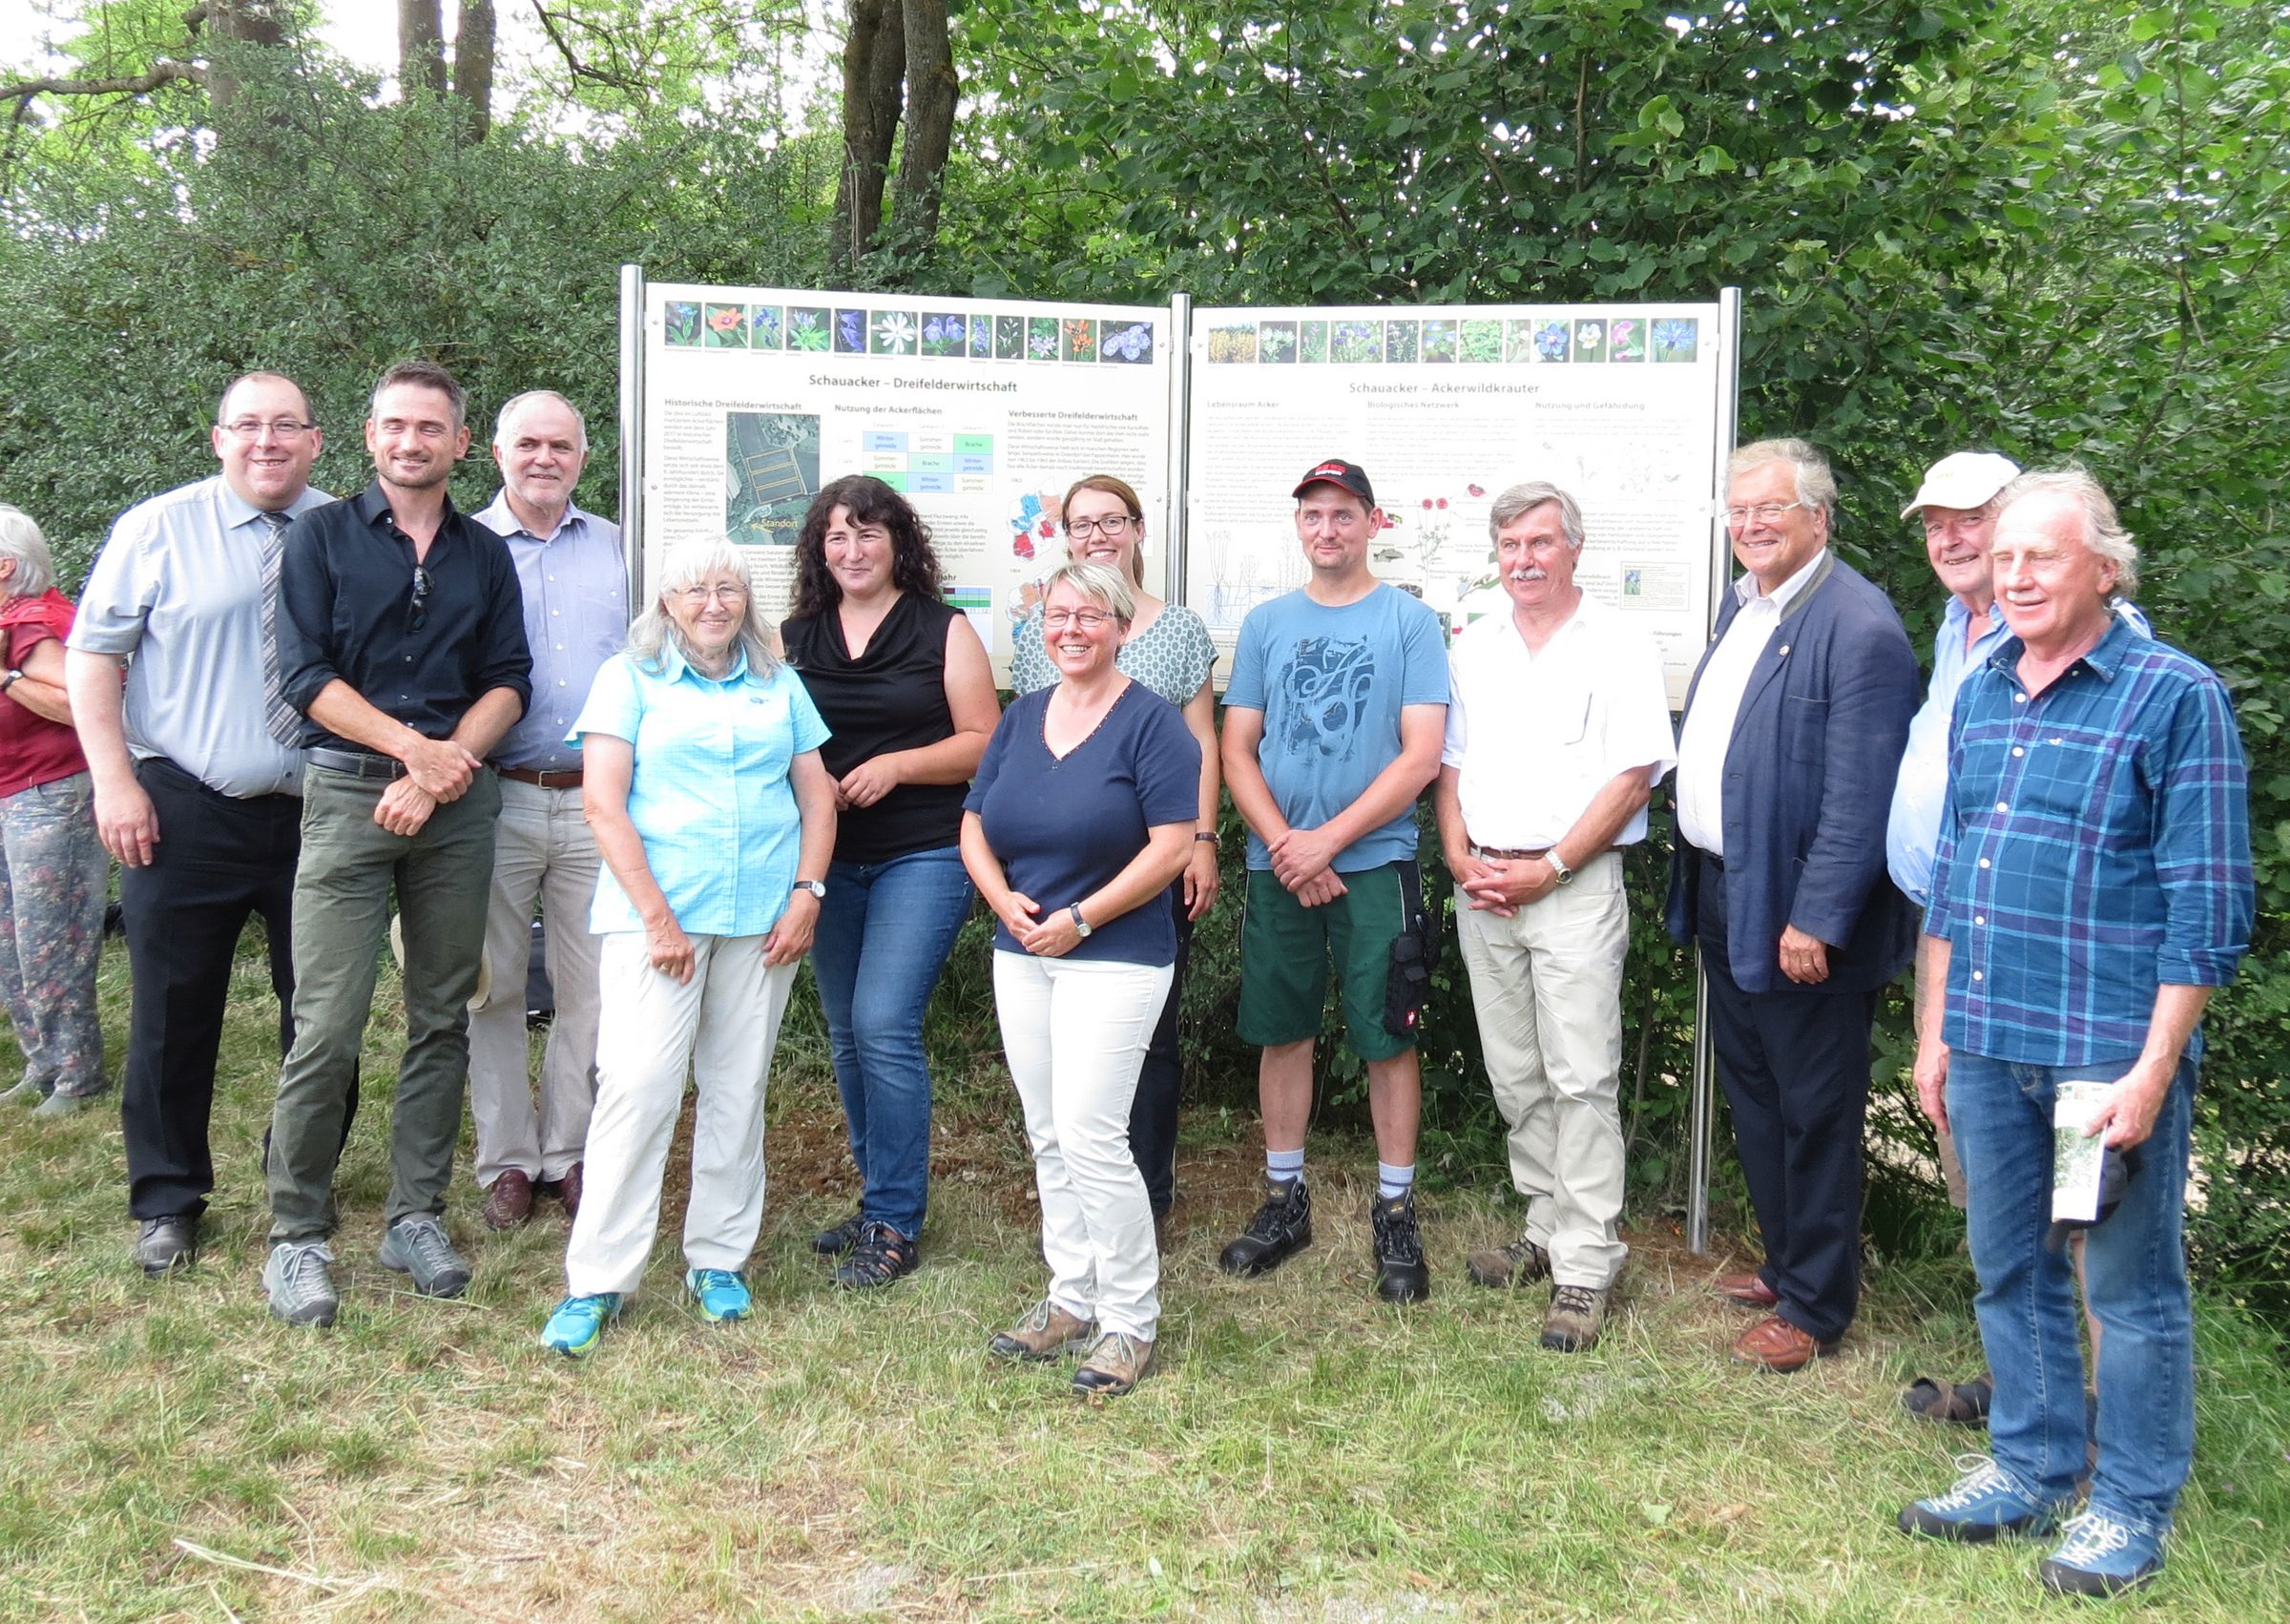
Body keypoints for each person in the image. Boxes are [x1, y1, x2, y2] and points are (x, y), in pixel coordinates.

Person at [1898, 470, 2252, 1597]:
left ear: (2105, 566)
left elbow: (2208, 906)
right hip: (1993, 1041)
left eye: (2041, 558)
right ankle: (2031, 1464)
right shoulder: (1986, 689)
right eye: (2004, 560)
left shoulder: (2172, 696)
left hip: (2100, 1061)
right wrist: (1936, 1034)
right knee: (2007, 1266)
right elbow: (1956, 877)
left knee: (2125, 1288)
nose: (2017, 578)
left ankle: (2130, 1503)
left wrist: (2153, 1069)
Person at [260, 359, 531, 1328]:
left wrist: (446, 765)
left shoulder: (484, 553)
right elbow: (304, 676)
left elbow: (508, 679)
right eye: (394, 426)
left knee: (441, 1016)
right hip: (347, 796)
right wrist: (415, 753)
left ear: (461, 444)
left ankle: (414, 1214)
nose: (411, 442)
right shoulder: (322, 538)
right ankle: (297, 1232)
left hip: (457, 809)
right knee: (325, 1024)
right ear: (369, 436)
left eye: (431, 428)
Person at [1885, 449, 2141, 1426]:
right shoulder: (1961, 632)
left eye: (1973, 519)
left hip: (2071, 981)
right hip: (1954, 941)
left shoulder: (2120, 660)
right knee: (1996, 1190)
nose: (1953, 539)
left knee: (2087, 1207)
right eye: (1934, 524)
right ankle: (2038, 1392)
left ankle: (2108, 1419)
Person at [65, 372, 335, 1273]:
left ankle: (301, 1179)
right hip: (182, 808)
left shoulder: (349, 529)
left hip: (324, 812)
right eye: (249, 426)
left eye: (286, 426)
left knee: (323, 1015)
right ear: (218, 438)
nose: (268, 441)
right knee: (174, 1013)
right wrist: (115, 782)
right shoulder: (157, 528)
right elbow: (94, 659)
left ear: (317, 441)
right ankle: (169, 1198)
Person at [539, 541, 834, 1357]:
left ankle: (718, 1260)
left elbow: (818, 797)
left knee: (737, 1089)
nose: (714, 602)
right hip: (654, 920)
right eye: (696, 590)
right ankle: (598, 1279)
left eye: (729, 588)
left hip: (763, 919)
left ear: (747, 600)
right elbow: (603, 806)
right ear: (668, 603)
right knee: (637, 1090)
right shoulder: (628, 679)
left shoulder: (779, 680)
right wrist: (658, 920)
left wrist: (808, 895)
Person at [1666, 437, 1918, 1371]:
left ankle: (1815, 1306)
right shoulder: (1751, 607)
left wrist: (1817, 916)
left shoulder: (1861, 627)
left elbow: (1861, 795)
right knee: (1759, 1095)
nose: (1750, 526)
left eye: (1769, 509)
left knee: (1815, 1107)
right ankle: (1786, 1262)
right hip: (1729, 892)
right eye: (1738, 512)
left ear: (1819, 514)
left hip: (1799, 912)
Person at [1434, 482, 1676, 1352]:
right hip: (1485, 884)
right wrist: (1459, 855)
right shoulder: (1477, 641)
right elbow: (1450, 763)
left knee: (1581, 1076)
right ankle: (1543, 1225)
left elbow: (1634, 774)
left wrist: (1553, 866)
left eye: (1540, 543)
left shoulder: (1617, 643)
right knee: (1515, 1072)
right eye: (1510, 547)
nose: (1524, 561)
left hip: (1571, 886)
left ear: (1574, 547)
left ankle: (1586, 1260)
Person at [963, 561, 1199, 1397]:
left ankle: (1129, 1320)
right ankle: (1071, 1298)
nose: (1070, 629)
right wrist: (1006, 904)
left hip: (1116, 951)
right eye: (1056, 615)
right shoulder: (1022, 717)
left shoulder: (1155, 725)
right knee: (1047, 1131)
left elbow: (1172, 846)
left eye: (1089, 615)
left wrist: (1083, 918)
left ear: (1121, 625)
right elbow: (975, 827)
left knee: (1094, 1134)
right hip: (1022, 950)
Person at [1216, 458, 1448, 1302]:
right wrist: (1287, 845)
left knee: (1388, 1035)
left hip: (1375, 862)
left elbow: (1421, 754)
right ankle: (1285, 1200)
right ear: (1299, 527)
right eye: (1312, 515)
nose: (1327, 529)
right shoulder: (1267, 624)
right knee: (1284, 1029)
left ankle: (1395, 1209)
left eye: (1343, 514)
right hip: (1277, 864)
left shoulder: (1410, 623)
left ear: (1372, 523)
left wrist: (1330, 843)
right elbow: (1237, 748)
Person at [780, 475, 997, 1289]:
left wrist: (898, 767)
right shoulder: (797, 635)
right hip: (828, 859)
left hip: (925, 851)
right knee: (845, 1031)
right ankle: (880, 1200)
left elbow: (986, 740)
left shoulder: (945, 629)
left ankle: (897, 1221)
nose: (852, 550)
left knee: (882, 1022)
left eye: (868, 533)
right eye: (836, 536)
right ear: (819, 550)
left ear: (898, 542)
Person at [1010, 474, 1219, 1243]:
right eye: (1080, 524)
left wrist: (1202, 839)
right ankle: (1079, 1199)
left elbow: (1201, 741)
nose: (1096, 535)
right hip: (1056, 869)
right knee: (1059, 1044)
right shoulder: (1043, 625)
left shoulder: (1182, 629)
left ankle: (1148, 1195)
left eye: (1111, 521)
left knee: (1149, 1036)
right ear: (1065, 536)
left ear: (1138, 529)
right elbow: (1032, 738)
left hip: (1152, 861)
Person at [465, 390, 627, 1231]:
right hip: (491, 798)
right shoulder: (462, 547)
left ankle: (568, 1152)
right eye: (527, 443)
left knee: (589, 990)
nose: (544, 459)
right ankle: (506, 1160)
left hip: (595, 803)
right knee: (488, 987)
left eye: (560, 445)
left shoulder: (618, 549)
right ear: (496, 453)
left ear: (582, 458)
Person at [0, 506, 106, 1120]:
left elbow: (84, 706)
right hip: (14, 794)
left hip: (50, 797)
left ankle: (76, 1072)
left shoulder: (37, 622)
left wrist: (6, 676)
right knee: (13, 939)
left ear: (6, 565)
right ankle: (42, 1061)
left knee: (50, 940)